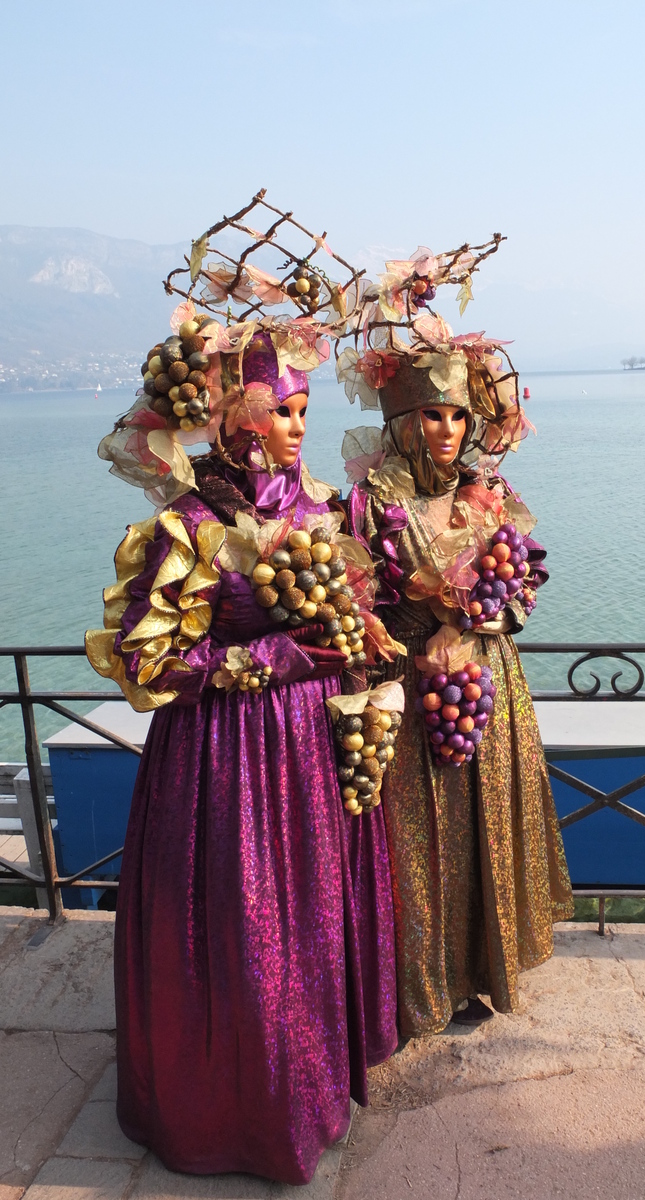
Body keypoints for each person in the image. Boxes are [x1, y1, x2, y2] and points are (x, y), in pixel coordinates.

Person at [86, 314, 397, 1184]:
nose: (301, 428)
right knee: (239, 923)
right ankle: (237, 1113)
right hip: (220, 759)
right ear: (234, 419)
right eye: (286, 411)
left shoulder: (322, 512)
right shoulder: (188, 525)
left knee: (302, 919)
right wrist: (268, 655)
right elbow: (147, 658)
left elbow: (345, 615)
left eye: (306, 410)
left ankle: (310, 1081)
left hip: (305, 749)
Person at [338, 243, 573, 1037]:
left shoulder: (492, 491)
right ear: (401, 421)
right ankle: (419, 988)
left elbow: (526, 580)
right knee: (420, 847)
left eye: (456, 415)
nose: (445, 429)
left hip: (488, 689)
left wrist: (481, 624)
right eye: (429, 414)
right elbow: (353, 600)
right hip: (408, 696)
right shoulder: (370, 505)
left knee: (487, 829)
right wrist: (422, 629)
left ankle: (485, 969)